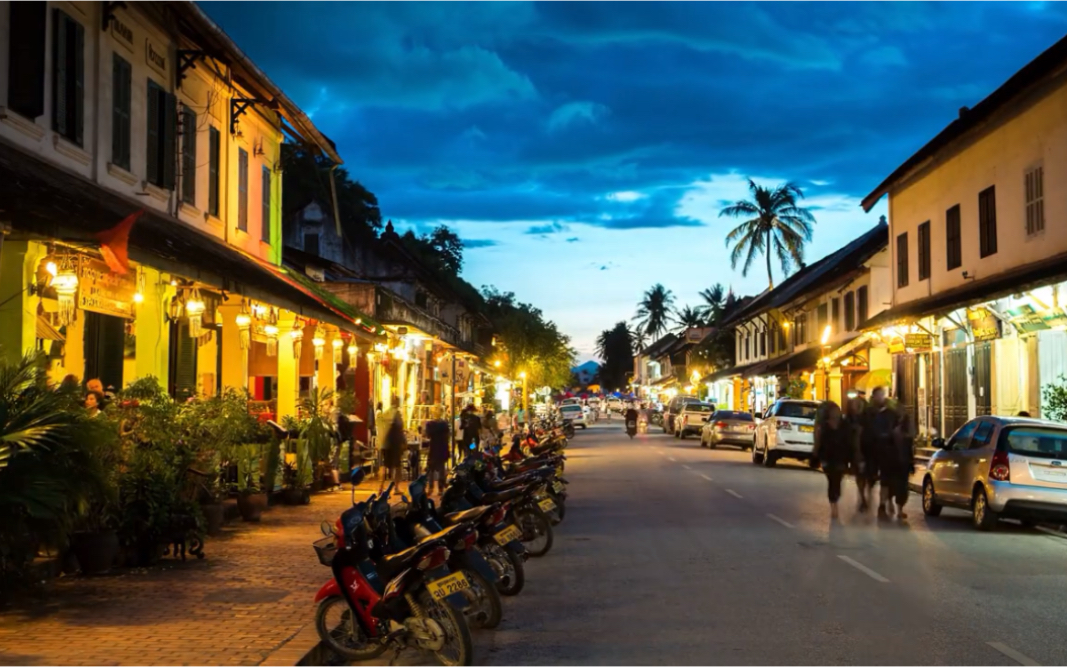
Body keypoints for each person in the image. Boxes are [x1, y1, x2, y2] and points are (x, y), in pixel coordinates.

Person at [865, 386, 904, 520]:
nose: (881, 397)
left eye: (883, 395)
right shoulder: (869, 413)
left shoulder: (891, 414)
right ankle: (867, 499)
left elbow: (897, 429)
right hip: (872, 449)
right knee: (871, 477)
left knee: (886, 480)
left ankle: (884, 503)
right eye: (878, 395)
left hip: (887, 450)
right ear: (874, 397)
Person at [813, 401, 853, 520]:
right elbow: (819, 441)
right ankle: (833, 505)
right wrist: (817, 455)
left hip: (841, 457)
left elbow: (849, 440)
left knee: (838, 480)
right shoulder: (824, 426)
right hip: (828, 457)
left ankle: (836, 497)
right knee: (832, 480)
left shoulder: (844, 424)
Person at [378, 397, 404, 492]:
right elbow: (400, 428)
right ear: (397, 403)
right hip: (394, 444)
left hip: (385, 443)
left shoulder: (386, 413)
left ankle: (381, 487)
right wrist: (403, 442)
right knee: (397, 466)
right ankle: (396, 488)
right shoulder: (397, 414)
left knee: (384, 465)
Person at [423, 408, 450, 496]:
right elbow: (448, 435)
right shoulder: (444, 424)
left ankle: (431, 487)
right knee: (441, 469)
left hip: (434, 448)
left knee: (431, 469)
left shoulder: (430, 424)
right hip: (442, 448)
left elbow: (427, 435)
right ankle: (440, 488)